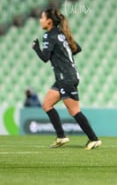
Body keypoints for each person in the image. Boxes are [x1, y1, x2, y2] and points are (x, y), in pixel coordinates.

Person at [32, 8, 101, 150]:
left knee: (74, 110)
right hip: (67, 76)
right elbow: (77, 49)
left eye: (42, 17)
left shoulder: (49, 36)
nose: (40, 20)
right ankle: (61, 136)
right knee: (47, 105)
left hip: (66, 78)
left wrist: (36, 48)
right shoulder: (62, 34)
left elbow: (45, 58)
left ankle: (94, 139)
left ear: (49, 21)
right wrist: (63, 56)